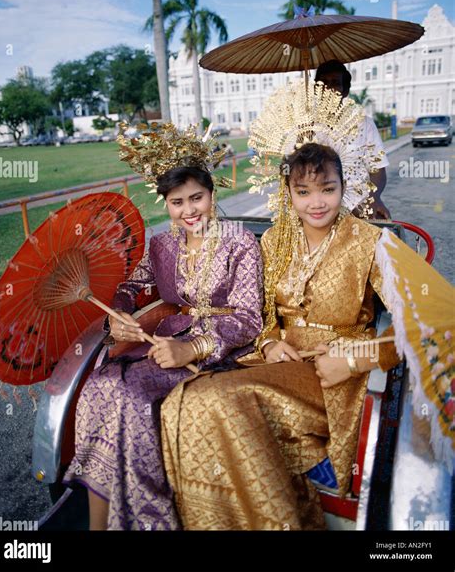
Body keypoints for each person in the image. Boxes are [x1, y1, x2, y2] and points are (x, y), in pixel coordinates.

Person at [160, 142, 399, 530]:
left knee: (212, 398)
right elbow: (263, 314)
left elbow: (419, 323)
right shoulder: (273, 240)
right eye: (303, 192)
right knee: (183, 402)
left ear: (344, 186)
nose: (316, 203)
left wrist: (357, 360)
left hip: (332, 370)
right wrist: (270, 342)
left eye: (328, 188)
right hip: (276, 363)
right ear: (288, 192)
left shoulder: (369, 241)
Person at [63, 123, 263, 530]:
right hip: (168, 338)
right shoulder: (162, 244)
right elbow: (132, 285)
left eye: (197, 198)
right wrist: (118, 312)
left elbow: (248, 318)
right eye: (177, 202)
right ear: (166, 204)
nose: (189, 211)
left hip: (218, 350)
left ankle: (150, 518)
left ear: (212, 194)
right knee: (101, 383)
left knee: (132, 394)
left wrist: (195, 348)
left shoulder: (240, 242)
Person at [315, 60, 391, 219]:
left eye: (335, 83)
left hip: (360, 206)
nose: (328, 88)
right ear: (316, 89)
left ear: (345, 90)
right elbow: (292, 172)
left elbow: (378, 169)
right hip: (318, 209)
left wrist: (373, 199)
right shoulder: (305, 127)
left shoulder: (364, 124)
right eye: (323, 83)